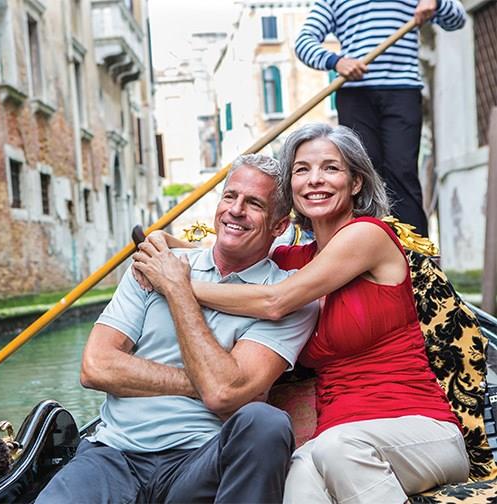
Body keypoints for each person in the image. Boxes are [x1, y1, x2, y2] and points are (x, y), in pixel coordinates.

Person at [134, 123, 469, 503]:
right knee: (297, 476)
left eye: (331, 168)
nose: (315, 180)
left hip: (421, 431)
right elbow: (226, 253)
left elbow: (274, 301)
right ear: (290, 186)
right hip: (337, 439)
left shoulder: (369, 235)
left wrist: (177, 285)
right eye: (302, 169)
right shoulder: (293, 260)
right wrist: (164, 243)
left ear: (356, 182)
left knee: (337, 448)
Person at [35, 154, 319, 504]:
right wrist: (202, 381)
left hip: (199, 463)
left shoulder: (289, 297)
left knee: (265, 422)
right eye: (230, 197)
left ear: (279, 225)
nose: (235, 210)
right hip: (113, 454)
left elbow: (224, 394)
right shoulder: (155, 265)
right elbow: (96, 367)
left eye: (254, 203)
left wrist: (177, 289)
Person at [294, 0, 466, 237]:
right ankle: (364, 247)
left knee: (403, 172)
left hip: (402, 91)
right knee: (362, 176)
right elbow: (303, 42)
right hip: (355, 94)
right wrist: (336, 62)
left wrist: (435, 3)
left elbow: (457, 19)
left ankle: (417, 254)